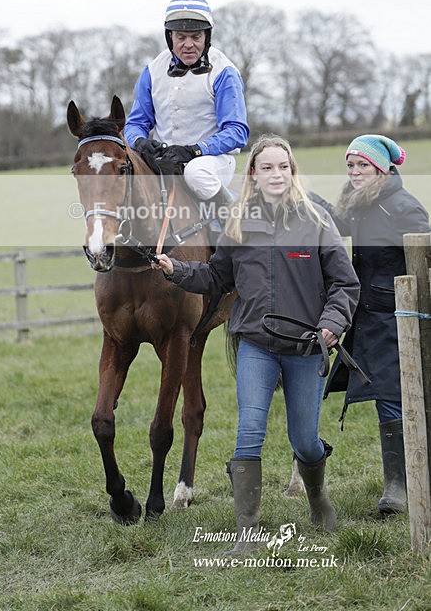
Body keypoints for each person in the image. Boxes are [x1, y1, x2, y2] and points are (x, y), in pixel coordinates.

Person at [152, 134, 360, 552]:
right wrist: (177, 269)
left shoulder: (316, 220)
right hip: (255, 345)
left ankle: (318, 496)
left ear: (292, 170)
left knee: (304, 440)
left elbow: (344, 283)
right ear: (253, 174)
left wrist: (332, 324)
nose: (276, 174)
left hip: (306, 346)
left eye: (283, 166)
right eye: (267, 167)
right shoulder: (237, 222)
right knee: (249, 431)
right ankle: (247, 532)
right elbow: (216, 277)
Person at [310, 134, 430, 516]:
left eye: (363, 165)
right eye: (350, 165)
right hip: (370, 317)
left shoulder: (404, 208)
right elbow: (338, 222)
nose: (355, 172)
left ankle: (399, 486)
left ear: (381, 168)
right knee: (385, 395)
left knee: (394, 396)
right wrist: (302, 195)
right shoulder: (362, 203)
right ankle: (400, 482)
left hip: (400, 318)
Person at [123, 0, 249, 213]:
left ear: (207, 36)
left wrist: (195, 151)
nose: (188, 45)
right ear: (169, 36)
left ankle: (236, 220)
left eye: (196, 37)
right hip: (164, 160)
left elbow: (237, 132)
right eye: (181, 37)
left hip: (212, 161)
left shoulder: (224, 72)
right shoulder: (152, 71)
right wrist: (139, 142)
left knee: (196, 172)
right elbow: (135, 123)